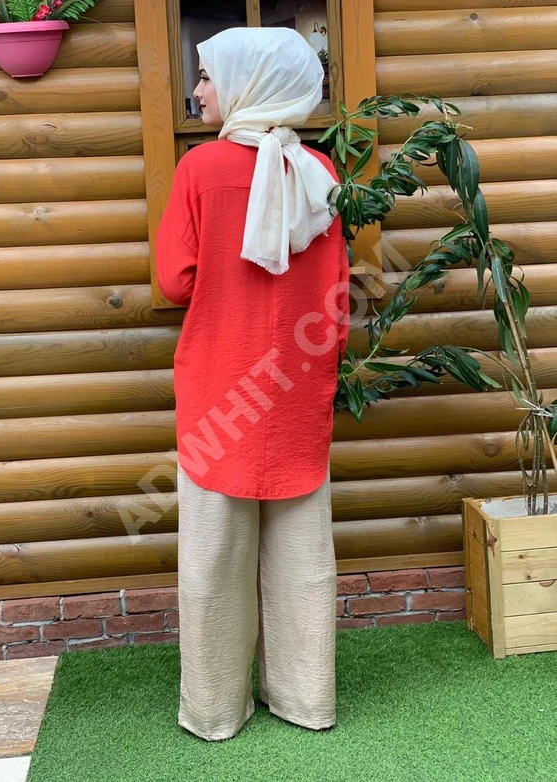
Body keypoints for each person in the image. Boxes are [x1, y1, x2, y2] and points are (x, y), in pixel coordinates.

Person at [155, 25, 350, 742]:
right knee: (303, 558)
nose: (197, 90)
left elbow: (174, 281)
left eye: (207, 76)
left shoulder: (201, 169)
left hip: (221, 383)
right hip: (295, 385)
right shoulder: (320, 172)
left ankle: (214, 710)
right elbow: (337, 292)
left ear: (249, 82)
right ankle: (305, 700)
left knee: (214, 561)